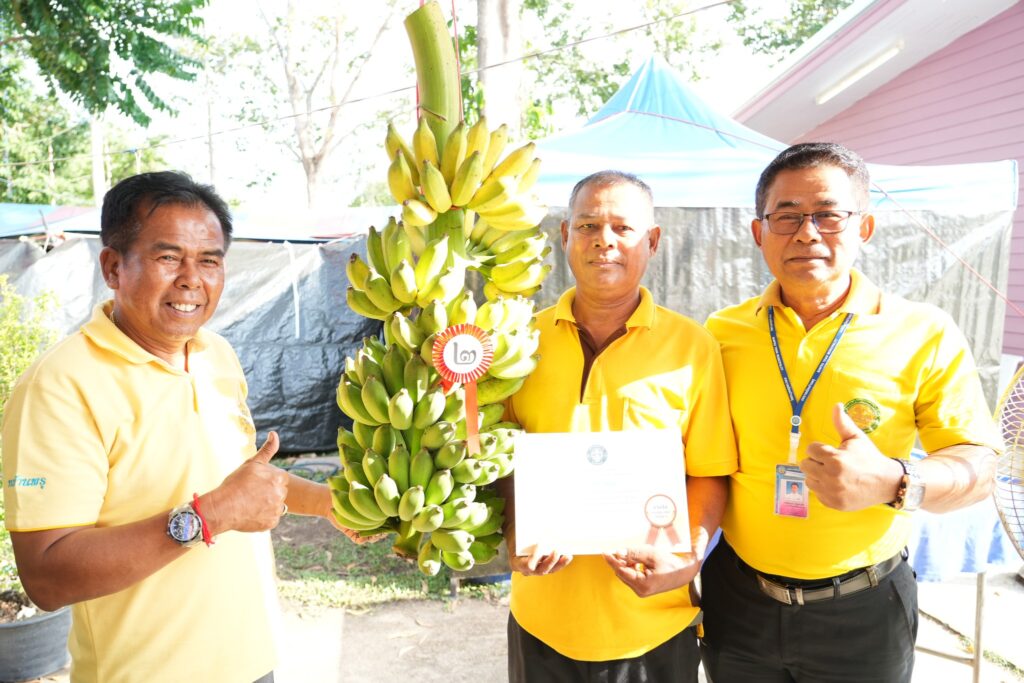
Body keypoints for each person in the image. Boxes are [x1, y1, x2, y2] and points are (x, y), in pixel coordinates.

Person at [2, 171, 366, 683]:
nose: (192, 279)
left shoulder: (216, 354)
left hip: (253, 663)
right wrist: (208, 517)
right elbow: (46, 576)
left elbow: (239, 482)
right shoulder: (61, 386)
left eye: (210, 260)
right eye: (168, 258)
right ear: (113, 267)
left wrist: (331, 504)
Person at [701, 142, 1001, 682]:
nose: (807, 233)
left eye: (828, 214)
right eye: (787, 216)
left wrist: (896, 481)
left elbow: (979, 470)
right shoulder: (721, 333)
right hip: (738, 601)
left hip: (864, 609)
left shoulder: (923, 332)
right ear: (758, 233)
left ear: (864, 227)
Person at [499, 170, 737, 682]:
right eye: (587, 225)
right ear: (565, 236)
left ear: (652, 241)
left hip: (652, 624)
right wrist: (514, 529)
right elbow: (499, 460)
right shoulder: (519, 344)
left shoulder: (692, 348)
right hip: (542, 621)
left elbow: (710, 471)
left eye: (623, 228)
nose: (603, 240)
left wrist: (688, 557)